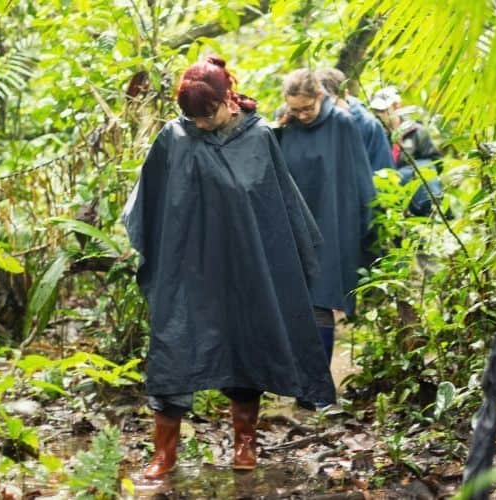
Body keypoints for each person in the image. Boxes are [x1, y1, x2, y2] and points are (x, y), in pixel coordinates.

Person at [123, 56, 336, 477]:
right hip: (187, 269)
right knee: (174, 349)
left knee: (245, 346)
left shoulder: (257, 137)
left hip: (244, 265)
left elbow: (279, 208)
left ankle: (245, 444)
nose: (201, 124)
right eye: (193, 117)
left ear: (227, 100)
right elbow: (150, 202)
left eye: (208, 114)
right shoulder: (175, 138)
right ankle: (163, 453)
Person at [278, 69, 375, 386]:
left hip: (330, 225)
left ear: (321, 96)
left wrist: (368, 227)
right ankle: (298, 382)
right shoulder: (285, 125)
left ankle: (317, 386)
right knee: (292, 305)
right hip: (291, 227)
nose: (302, 115)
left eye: (308, 108)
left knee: (320, 303)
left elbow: (360, 178)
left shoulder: (343, 124)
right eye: (296, 109)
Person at [369, 86, 444, 216]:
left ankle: (431, 211)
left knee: (423, 164)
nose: (379, 115)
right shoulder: (376, 134)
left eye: (383, 110)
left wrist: (410, 174)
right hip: (390, 195)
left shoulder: (416, 131)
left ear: (397, 106)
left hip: (417, 193)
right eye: (376, 111)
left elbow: (436, 162)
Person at [315, 68, 394, 172]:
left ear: (345, 94)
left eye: (330, 104)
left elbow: (384, 173)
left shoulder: (368, 125)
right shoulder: (311, 120)